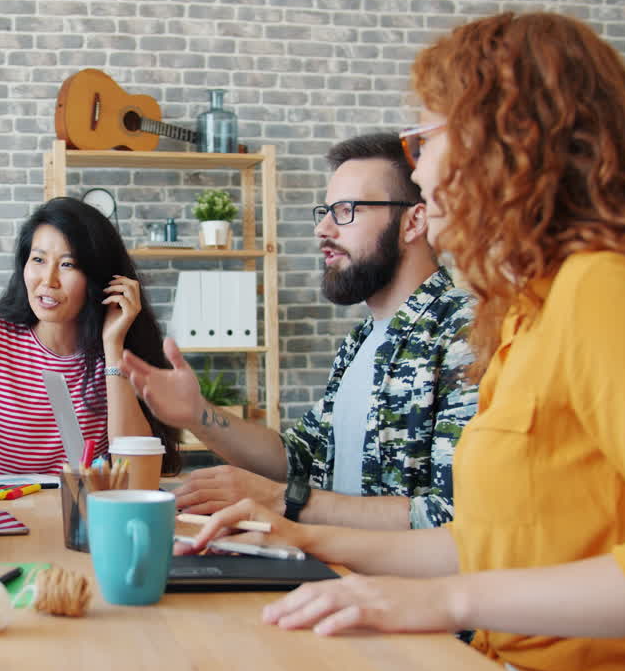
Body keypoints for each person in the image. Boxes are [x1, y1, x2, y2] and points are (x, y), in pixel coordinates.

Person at [186, 12, 625, 671]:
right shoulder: (524, 314)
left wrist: (445, 601)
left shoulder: (610, 295)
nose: (421, 171)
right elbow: (487, 544)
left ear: (504, 143)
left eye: (424, 140)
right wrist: (300, 536)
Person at [124, 132, 477, 530]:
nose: (322, 229)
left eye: (346, 211)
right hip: (331, 566)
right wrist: (198, 413)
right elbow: (298, 460)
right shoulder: (361, 341)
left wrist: (282, 500)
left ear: (413, 221)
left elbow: (455, 519)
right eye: (325, 212)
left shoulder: (464, 332)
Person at [0, 196, 179, 476]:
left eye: (67, 265)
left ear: (100, 277)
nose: (48, 280)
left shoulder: (113, 351)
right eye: (38, 260)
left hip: (80, 505)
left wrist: (113, 346)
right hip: (0, 503)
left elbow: (135, 474)